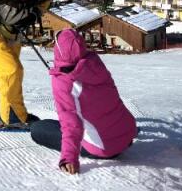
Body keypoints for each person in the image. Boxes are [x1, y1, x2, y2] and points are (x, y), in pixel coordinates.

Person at [31, 28, 137, 174]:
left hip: (105, 148)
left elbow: (71, 125)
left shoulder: (63, 82)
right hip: (127, 134)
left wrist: (69, 158)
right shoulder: (95, 64)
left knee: (38, 128)